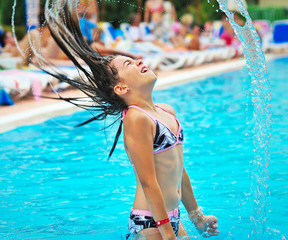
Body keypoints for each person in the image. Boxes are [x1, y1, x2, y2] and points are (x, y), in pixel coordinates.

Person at [42, 1, 219, 239]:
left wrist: (197, 217)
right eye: (129, 63)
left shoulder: (166, 110)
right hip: (151, 223)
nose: (138, 61)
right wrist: (167, 233)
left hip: (171, 217)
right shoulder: (136, 118)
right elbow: (148, 183)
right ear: (122, 87)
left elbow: (179, 172)